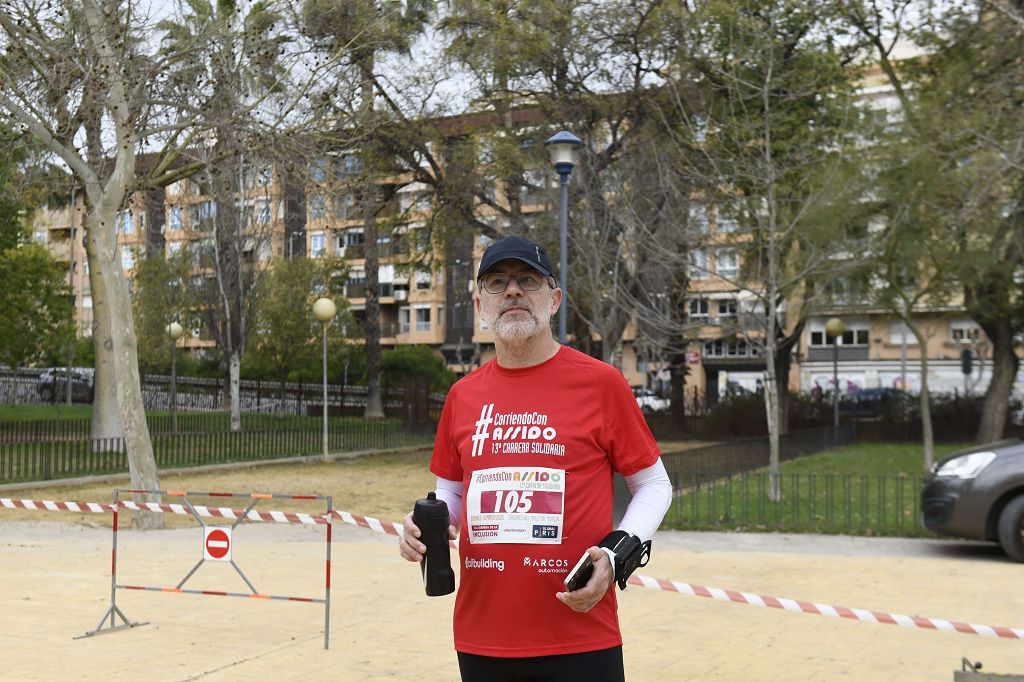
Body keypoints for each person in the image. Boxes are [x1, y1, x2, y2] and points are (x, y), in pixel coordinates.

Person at [399, 235, 673, 682]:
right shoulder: (462, 396)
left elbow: (654, 484)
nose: (512, 291)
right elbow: (452, 493)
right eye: (496, 282)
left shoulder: (602, 384)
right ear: (480, 304)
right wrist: (421, 527)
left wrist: (616, 553)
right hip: (482, 636)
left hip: (580, 632)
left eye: (528, 279)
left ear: (554, 300)